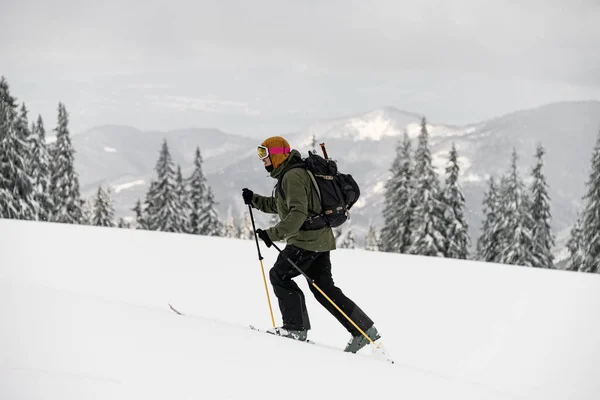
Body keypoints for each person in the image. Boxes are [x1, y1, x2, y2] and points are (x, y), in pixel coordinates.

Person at [242, 135, 380, 353]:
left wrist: (272, 234)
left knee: (280, 275)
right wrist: (255, 200)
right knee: (324, 289)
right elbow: (281, 205)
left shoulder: (292, 177)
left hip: (306, 242)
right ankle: (364, 331)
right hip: (320, 240)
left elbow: (297, 214)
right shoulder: (292, 175)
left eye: (264, 155)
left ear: (276, 156)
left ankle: (295, 329)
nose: (263, 160)